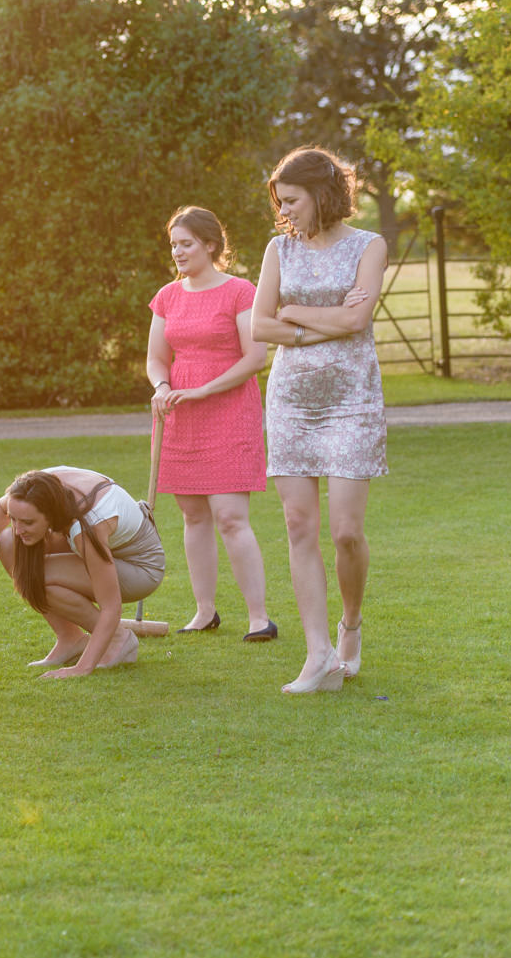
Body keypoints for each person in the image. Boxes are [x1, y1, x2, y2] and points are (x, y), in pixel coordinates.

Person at [250, 146, 388, 694]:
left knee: (346, 532)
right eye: (281, 203)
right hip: (290, 402)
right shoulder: (278, 250)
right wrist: (315, 326)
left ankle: (350, 626)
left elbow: (359, 318)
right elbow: (262, 326)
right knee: (298, 525)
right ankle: (318, 656)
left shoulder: (368, 246)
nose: (286, 213)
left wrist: (296, 313)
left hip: (352, 400)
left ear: (323, 194)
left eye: (293, 201)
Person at [146, 206, 276, 641]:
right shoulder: (167, 296)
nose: (178, 252)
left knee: (231, 516)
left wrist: (204, 390)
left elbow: (254, 359)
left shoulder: (240, 291)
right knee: (193, 514)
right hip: (179, 410)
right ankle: (204, 611)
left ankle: (259, 617)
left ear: (211, 245)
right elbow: (156, 357)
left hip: (229, 408)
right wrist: (161, 385)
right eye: (174, 245)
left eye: (186, 244)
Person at [0, 467, 165, 679]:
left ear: (50, 514)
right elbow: (1, 506)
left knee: (35, 576)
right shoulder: (37, 486)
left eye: (28, 522)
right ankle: (70, 639)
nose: (17, 528)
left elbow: (111, 606)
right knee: (7, 542)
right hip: (103, 549)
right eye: (14, 519)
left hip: (139, 569)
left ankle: (118, 640)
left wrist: (81, 669)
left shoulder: (87, 528)